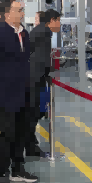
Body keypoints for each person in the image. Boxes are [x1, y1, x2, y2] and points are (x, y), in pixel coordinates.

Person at [0, 0, 39, 183]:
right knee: (7, 134)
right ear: (7, 14)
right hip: (5, 91)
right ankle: (2, 174)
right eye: (19, 10)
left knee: (22, 131)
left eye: (22, 9)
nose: (22, 13)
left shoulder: (23, 32)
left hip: (24, 90)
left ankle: (18, 169)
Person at [26, 9, 62, 157]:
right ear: (52, 20)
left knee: (36, 111)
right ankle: (30, 145)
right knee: (35, 111)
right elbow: (41, 58)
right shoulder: (44, 33)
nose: (59, 24)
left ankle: (30, 141)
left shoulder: (40, 30)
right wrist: (48, 73)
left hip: (34, 77)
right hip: (34, 78)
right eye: (58, 21)